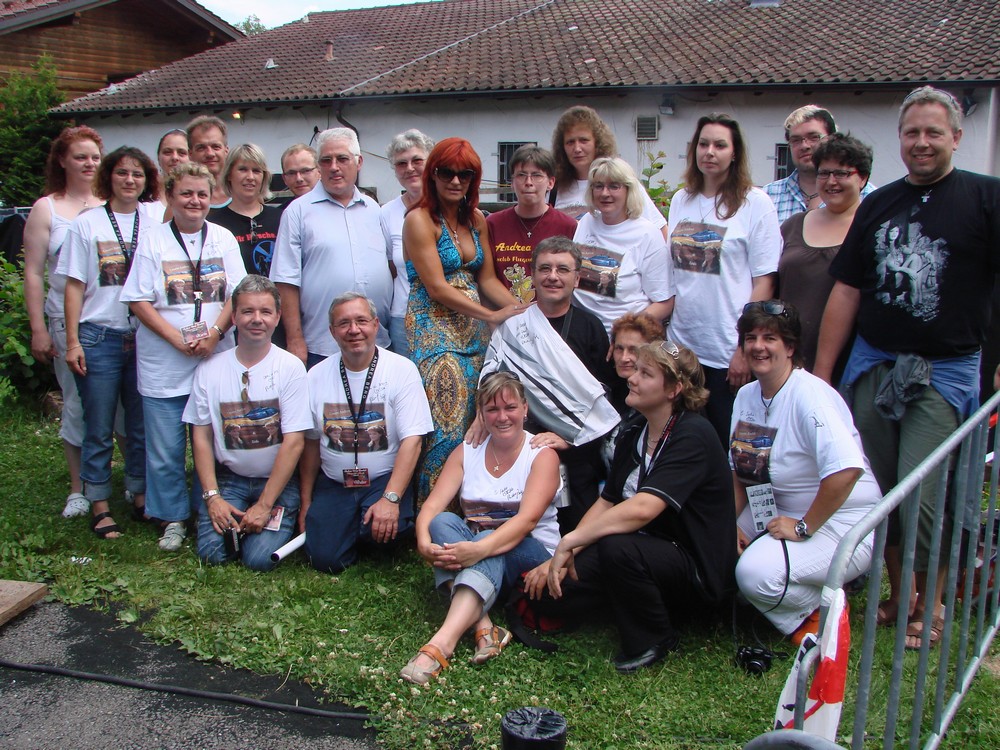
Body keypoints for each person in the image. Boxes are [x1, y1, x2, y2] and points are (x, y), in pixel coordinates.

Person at [815, 86, 1000, 649]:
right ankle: (901, 595)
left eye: (933, 132)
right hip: (875, 364)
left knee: (927, 491)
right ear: (900, 138)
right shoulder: (878, 205)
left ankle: (933, 602)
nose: (921, 142)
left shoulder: (986, 198)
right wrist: (823, 374)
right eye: (912, 132)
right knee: (880, 487)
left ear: (956, 138)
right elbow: (848, 290)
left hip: (945, 371)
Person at [532, 341, 735, 673]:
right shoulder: (635, 430)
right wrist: (564, 553)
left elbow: (643, 509)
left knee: (617, 548)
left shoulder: (693, 434)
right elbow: (608, 500)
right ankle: (624, 600)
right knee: (551, 593)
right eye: (636, 370)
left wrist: (571, 540)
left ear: (674, 389)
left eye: (645, 373)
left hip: (693, 562)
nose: (632, 378)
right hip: (644, 549)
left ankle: (654, 637)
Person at [730, 301, 880, 644]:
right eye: (750, 338)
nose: (758, 346)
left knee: (754, 574)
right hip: (775, 507)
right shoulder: (746, 396)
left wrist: (802, 527)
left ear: (790, 347)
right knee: (712, 542)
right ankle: (800, 587)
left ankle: (819, 610)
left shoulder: (811, 396)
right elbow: (741, 471)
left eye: (770, 338)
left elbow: (847, 470)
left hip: (841, 520)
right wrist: (729, 524)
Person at [400, 372, 560, 685]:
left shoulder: (541, 455)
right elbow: (431, 507)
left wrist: (478, 550)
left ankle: (441, 643)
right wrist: (422, 540)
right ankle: (484, 625)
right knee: (442, 522)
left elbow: (527, 521)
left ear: (525, 409)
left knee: (486, 536)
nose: (502, 417)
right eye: (492, 409)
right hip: (480, 555)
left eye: (510, 407)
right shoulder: (467, 451)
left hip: (532, 556)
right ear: (481, 414)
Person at [121, 162, 247, 552]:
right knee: (166, 447)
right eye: (186, 193)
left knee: (217, 440)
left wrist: (215, 334)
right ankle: (172, 517)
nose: (195, 201)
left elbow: (238, 294)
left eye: (202, 194)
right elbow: (138, 300)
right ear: (171, 197)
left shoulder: (223, 238)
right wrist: (175, 338)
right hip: (165, 361)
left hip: (214, 355)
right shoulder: (153, 240)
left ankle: (209, 506)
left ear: (211, 198)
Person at [403, 137, 526, 502]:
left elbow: (486, 281)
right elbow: (437, 287)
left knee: (479, 416)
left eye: (465, 174)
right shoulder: (418, 220)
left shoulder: (476, 220)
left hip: (474, 330)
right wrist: (492, 315)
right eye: (446, 173)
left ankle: (475, 507)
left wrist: (526, 311)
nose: (455, 181)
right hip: (434, 328)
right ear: (432, 175)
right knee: (447, 423)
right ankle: (435, 514)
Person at [472, 236, 619, 532]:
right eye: (545, 268)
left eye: (562, 269)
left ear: (577, 278)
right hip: (524, 441)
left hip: (578, 446)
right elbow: (492, 379)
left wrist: (569, 439)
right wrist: (480, 415)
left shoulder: (591, 327)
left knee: (576, 527)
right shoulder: (514, 326)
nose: (553, 276)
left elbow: (604, 397)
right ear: (533, 275)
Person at [59, 146, 158, 537]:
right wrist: (72, 341)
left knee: (139, 424)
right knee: (98, 425)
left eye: (137, 174)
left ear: (147, 180)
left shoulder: (155, 220)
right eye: (122, 173)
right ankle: (99, 503)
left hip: (144, 337)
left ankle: (139, 494)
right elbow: (73, 285)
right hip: (99, 334)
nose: (129, 180)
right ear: (108, 177)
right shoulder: (87, 224)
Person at [668, 113, 781, 445]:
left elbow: (764, 282)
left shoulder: (755, 203)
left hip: (726, 351)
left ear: (735, 153)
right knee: (684, 442)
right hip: (682, 348)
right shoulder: (681, 199)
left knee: (727, 444)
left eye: (720, 145)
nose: (710, 152)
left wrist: (743, 347)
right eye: (703, 144)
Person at [183, 275, 309, 571]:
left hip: (277, 482)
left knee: (258, 559)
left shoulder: (291, 367)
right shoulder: (209, 368)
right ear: (234, 317)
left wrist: (265, 505)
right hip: (231, 479)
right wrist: (212, 497)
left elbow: (294, 442)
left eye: (265, 312)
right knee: (214, 554)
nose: (257, 319)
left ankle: (273, 518)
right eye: (248, 311)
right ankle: (235, 518)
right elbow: (200, 436)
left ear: (277, 317)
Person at [300, 292, 432, 572]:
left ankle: (363, 524)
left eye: (361, 321)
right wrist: (306, 502)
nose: (354, 330)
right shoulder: (315, 376)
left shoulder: (401, 370)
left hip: (381, 481)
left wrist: (391, 498)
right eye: (344, 323)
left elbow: (413, 441)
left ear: (375, 325)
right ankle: (346, 525)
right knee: (324, 559)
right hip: (336, 483)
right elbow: (311, 443)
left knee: (385, 533)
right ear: (332, 331)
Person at [23, 125, 104, 519]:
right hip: (64, 321)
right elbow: (33, 272)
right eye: (80, 157)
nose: (89, 164)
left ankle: (125, 481)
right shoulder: (48, 208)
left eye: (95, 157)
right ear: (62, 160)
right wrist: (38, 328)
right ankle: (78, 488)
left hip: (110, 319)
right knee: (75, 403)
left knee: (121, 406)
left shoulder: (110, 203)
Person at [270, 127, 392, 368]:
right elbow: (285, 280)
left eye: (342, 159)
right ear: (319, 166)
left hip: (377, 341)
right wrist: (294, 339)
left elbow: (390, 266)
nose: (334, 167)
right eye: (326, 160)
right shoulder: (298, 212)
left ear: (359, 162)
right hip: (322, 346)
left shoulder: (374, 209)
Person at [778, 133, 873, 374]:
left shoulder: (871, 229)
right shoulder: (793, 225)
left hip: (845, 362)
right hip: (786, 356)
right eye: (824, 173)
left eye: (841, 173)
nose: (831, 181)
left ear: (862, 178)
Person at [572, 157, 674, 334]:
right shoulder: (587, 221)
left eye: (614, 186)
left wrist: (626, 332)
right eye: (598, 186)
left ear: (629, 190)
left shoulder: (647, 234)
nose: (605, 193)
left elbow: (664, 302)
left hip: (621, 337)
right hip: (581, 333)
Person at [549, 105, 669, 239]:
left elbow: (660, 232)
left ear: (598, 143)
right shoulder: (553, 188)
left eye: (584, 140)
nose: (577, 148)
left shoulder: (623, 181)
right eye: (570, 142)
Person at [486, 145, 578, 303]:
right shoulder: (492, 224)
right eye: (521, 175)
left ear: (551, 182)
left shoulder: (569, 226)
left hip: (552, 314)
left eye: (537, 175)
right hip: (505, 312)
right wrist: (520, 312)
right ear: (512, 182)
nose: (528, 182)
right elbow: (487, 278)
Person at [764, 105, 876, 223]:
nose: (804, 146)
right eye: (796, 140)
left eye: (814, 137)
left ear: (833, 139)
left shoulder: (868, 197)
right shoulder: (768, 196)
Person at [380, 129, 435, 359]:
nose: (409, 168)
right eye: (401, 163)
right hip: (403, 318)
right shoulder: (386, 213)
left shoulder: (450, 207)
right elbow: (391, 268)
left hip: (449, 315)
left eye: (417, 160)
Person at [608, 312, 665, 414]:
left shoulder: (660, 396)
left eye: (633, 350)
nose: (624, 358)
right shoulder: (611, 388)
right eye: (619, 348)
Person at [186, 115, 230, 208]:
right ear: (190, 154)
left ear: (226, 151)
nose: (210, 154)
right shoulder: (181, 201)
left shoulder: (242, 194)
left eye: (216, 147)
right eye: (201, 148)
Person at [153, 129, 190, 218]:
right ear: (158, 157)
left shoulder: (201, 196)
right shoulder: (145, 195)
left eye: (182, 153)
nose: (174, 157)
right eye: (167, 152)